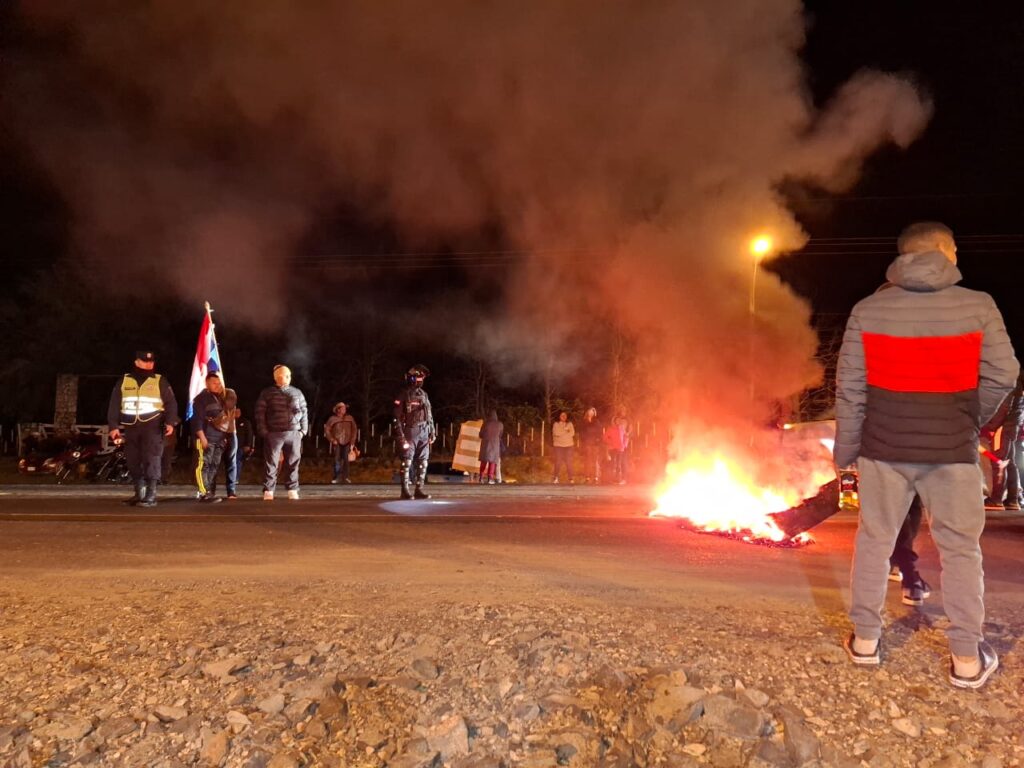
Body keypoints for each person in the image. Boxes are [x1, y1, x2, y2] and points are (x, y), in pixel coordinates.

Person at [834, 221, 1018, 689]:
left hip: (883, 448)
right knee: (960, 550)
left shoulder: (867, 310)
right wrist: (967, 417)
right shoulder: (979, 306)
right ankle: (966, 662)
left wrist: (846, 451)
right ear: (943, 251)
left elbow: (851, 390)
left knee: (875, 541)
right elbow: (1004, 372)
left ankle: (866, 643)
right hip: (951, 452)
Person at [107, 350, 179, 508]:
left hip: (152, 427)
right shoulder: (124, 380)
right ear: (136, 362)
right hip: (131, 427)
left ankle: (151, 495)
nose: (149, 363)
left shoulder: (160, 380)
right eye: (145, 361)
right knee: (133, 460)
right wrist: (113, 426)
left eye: (151, 361)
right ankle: (139, 494)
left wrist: (170, 422)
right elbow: (114, 404)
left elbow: (171, 403)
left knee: (151, 459)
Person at [255, 364, 308, 501]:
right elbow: (260, 413)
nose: (290, 378)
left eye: (289, 375)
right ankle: (269, 490)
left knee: (293, 462)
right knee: (271, 463)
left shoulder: (297, 392)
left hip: (294, 433)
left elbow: (304, 410)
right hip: (274, 433)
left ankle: (292, 489)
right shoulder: (267, 393)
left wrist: (303, 430)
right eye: (287, 375)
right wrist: (264, 431)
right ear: (278, 377)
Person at [190, 373, 238, 503]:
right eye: (214, 383)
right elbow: (197, 420)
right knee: (203, 465)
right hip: (206, 437)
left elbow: (225, 420)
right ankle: (203, 492)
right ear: (207, 384)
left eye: (219, 383)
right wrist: (201, 436)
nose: (218, 386)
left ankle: (209, 491)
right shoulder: (201, 398)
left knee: (214, 465)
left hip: (219, 439)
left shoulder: (221, 399)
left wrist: (224, 437)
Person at [983, 370, 1024, 510]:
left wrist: (992, 426)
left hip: (1002, 427)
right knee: (1010, 463)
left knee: (998, 462)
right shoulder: (1017, 381)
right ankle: (1012, 500)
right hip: (1012, 426)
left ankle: (996, 499)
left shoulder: (1007, 380)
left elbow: (1003, 407)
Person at [394, 364, 436, 499]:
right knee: (407, 461)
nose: (421, 380)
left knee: (423, 462)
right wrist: (400, 435)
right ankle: (405, 490)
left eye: (422, 377)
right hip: (410, 431)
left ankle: (419, 489)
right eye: (419, 377)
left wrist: (432, 431)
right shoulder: (403, 395)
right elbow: (397, 417)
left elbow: (429, 414)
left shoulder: (424, 395)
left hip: (424, 430)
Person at [325, 402, 359, 484]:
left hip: (347, 441)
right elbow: (327, 430)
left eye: (345, 408)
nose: (344, 409)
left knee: (346, 460)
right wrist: (332, 439)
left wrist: (352, 441)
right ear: (338, 409)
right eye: (342, 408)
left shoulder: (350, 418)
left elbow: (354, 429)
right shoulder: (332, 419)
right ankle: (337, 476)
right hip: (337, 442)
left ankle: (346, 477)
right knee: (337, 460)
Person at [579, 407, 604, 484]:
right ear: (587, 413)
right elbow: (581, 432)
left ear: (594, 413)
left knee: (595, 461)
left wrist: (597, 439)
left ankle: (596, 477)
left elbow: (600, 432)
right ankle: (587, 477)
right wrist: (584, 440)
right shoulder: (584, 421)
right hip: (587, 444)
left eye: (592, 412)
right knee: (588, 461)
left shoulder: (596, 421)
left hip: (595, 445)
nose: (590, 413)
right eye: (589, 412)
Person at [604, 413, 631, 485]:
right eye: (617, 421)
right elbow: (605, 437)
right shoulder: (610, 429)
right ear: (614, 421)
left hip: (620, 449)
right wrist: (611, 442)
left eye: (619, 421)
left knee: (619, 464)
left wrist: (624, 445)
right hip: (613, 449)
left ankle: (618, 479)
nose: (618, 422)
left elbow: (626, 437)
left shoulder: (621, 429)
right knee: (613, 464)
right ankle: (612, 479)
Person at [479, 409, 504, 484]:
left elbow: (480, 434)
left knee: (484, 461)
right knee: (492, 462)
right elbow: (500, 435)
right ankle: (490, 478)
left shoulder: (486, 423)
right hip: (495, 445)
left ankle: (481, 477)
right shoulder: (500, 424)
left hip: (485, 445)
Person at [551, 411, 575, 483]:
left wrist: (564, 432)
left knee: (569, 462)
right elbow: (556, 433)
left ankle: (571, 478)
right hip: (558, 446)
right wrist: (566, 431)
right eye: (562, 415)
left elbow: (572, 433)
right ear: (559, 416)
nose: (564, 417)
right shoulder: (556, 424)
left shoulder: (570, 424)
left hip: (569, 445)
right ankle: (555, 478)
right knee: (558, 462)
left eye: (565, 415)